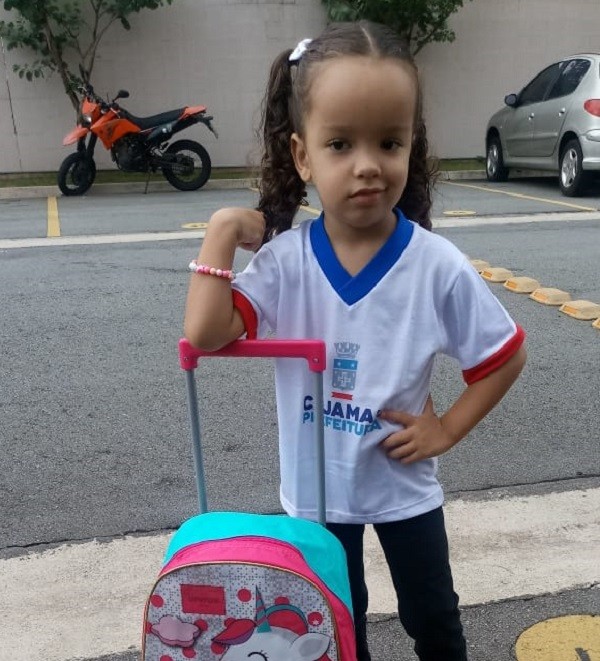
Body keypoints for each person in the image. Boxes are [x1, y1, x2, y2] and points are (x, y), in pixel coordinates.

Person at [184, 20, 526, 661]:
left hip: (404, 489)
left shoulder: (435, 264)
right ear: (302, 155)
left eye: (390, 142)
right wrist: (224, 227)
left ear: (411, 149)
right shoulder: (286, 263)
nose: (368, 165)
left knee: (436, 622)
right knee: (337, 628)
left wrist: (446, 429)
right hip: (316, 493)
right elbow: (204, 334)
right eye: (340, 143)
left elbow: (504, 358)